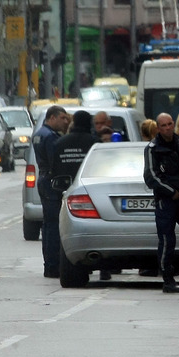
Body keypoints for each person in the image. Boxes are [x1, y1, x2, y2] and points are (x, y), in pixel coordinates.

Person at [143, 112, 179, 293]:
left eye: (170, 124)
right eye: (164, 125)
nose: (168, 128)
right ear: (158, 128)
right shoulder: (153, 148)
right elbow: (151, 177)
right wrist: (170, 192)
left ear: (174, 123)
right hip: (166, 201)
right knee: (167, 240)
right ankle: (168, 279)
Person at [49, 111, 101, 279]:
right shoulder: (94, 144)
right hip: (88, 192)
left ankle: (57, 265)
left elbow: (54, 169)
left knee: (63, 229)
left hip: (64, 190)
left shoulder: (59, 143)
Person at [32, 105, 71, 277]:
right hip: (51, 182)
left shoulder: (40, 133)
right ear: (52, 117)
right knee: (54, 225)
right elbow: (55, 161)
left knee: (48, 225)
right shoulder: (50, 137)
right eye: (62, 118)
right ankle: (53, 264)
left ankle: (49, 264)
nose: (65, 121)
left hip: (43, 179)